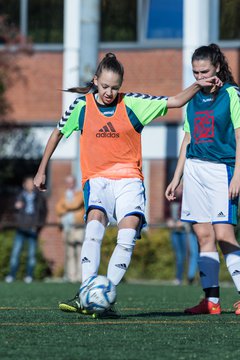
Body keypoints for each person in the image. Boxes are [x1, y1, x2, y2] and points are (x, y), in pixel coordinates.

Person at [34, 52, 221, 317]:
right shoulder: (81, 106)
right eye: (105, 86)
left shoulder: (134, 103)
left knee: (128, 232)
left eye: (115, 87)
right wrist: (42, 169)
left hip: (129, 180)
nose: (110, 92)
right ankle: (86, 291)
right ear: (96, 80)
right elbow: (57, 132)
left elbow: (176, 101)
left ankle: (105, 298)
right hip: (97, 179)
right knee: (94, 223)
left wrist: (199, 84)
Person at [165, 43, 240, 315]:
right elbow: (188, 139)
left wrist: (238, 176)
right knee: (202, 234)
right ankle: (211, 301)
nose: (200, 77)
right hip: (195, 170)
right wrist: (176, 177)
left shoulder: (232, 94)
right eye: (195, 73)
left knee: (223, 234)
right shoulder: (193, 98)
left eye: (204, 71)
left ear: (217, 67)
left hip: (223, 170)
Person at [5, 176, 48, 283]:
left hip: (33, 228)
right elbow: (10, 210)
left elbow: (44, 212)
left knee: (32, 254)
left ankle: (29, 276)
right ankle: (11, 275)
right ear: (24, 185)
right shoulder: (19, 196)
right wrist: (15, 207)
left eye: (32, 183)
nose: (30, 185)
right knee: (15, 253)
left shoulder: (39, 197)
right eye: (28, 183)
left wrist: (39, 225)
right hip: (21, 227)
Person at [56, 174, 85, 282]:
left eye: (71, 182)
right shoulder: (64, 195)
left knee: (80, 251)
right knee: (69, 253)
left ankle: (80, 276)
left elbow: (76, 204)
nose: (69, 184)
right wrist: (66, 206)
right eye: (68, 183)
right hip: (67, 227)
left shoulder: (79, 193)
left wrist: (65, 206)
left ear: (74, 183)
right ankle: (71, 276)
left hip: (78, 226)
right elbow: (58, 209)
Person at [166, 187, 198, 285]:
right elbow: (166, 213)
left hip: (186, 231)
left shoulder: (188, 199)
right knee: (179, 256)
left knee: (193, 254)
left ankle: (191, 276)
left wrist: (183, 222)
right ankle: (181, 277)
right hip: (175, 231)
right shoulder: (170, 200)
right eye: (177, 188)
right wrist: (168, 220)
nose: (179, 190)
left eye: (181, 188)